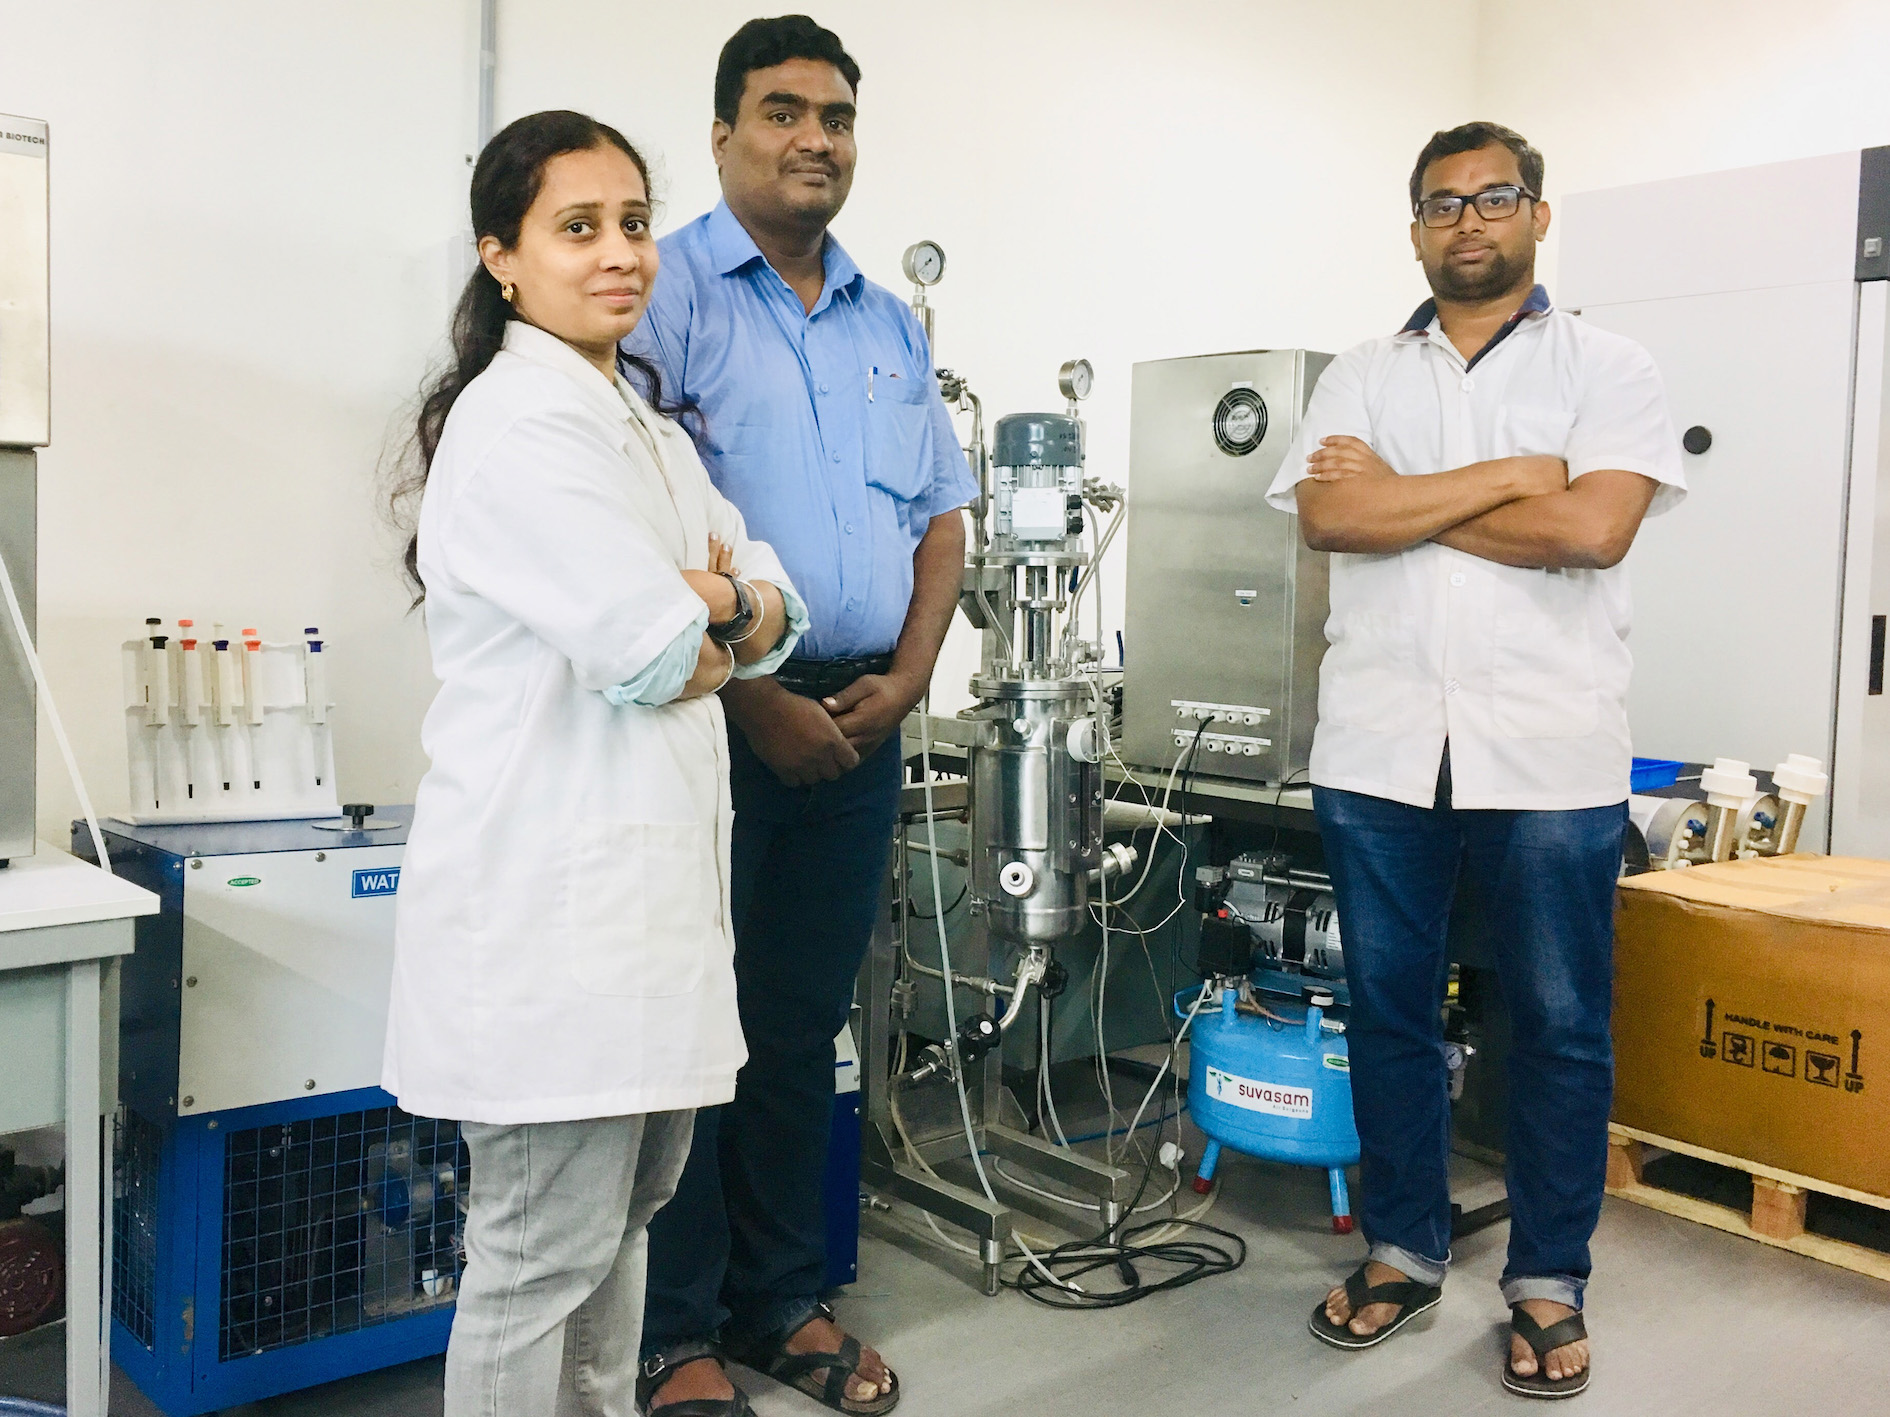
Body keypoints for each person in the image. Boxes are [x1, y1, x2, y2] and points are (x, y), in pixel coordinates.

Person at [383, 109, 807, 1417]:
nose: (620, 251)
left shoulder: (647, 429)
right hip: (550, 935)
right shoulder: (520, 426)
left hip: (641, 935)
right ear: (501, 256)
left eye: (633, 223)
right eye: (579, 227)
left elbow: (774, 617)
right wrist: (713, 607)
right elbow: (646, 653)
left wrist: (718, 607)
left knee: (621, 1234)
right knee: (534, 1264)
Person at [1267, 121, 1685, 1400]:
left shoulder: (1610, 366)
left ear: (1538, 217)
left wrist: (1417, 500)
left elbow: (1596, 531)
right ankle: (1402, 1243)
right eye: (1442, 204)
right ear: (1414, 229)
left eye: (1494, 198)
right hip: (1384, 749)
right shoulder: (1358, 372)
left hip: (1550, 754)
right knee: (1387, 1011)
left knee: (1559, 1024)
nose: (1468, 222)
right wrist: (1511, 479)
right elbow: (1335, 514)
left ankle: (1547, 1278)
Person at [623, 15, 975, 1417]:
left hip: (866, 712)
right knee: (689, 1032)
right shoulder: (666, 296)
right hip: (711, 714)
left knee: (795, 1025)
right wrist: (756, 696)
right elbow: (635, 525)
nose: (812, 139)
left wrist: (908, 675)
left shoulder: (890, 323)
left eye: (833, 117)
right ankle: (672, 1332)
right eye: (781, 112)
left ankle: (778, 1302)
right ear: (722, 135)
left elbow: (942, 514)